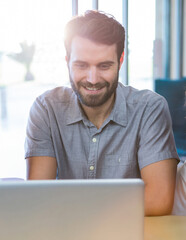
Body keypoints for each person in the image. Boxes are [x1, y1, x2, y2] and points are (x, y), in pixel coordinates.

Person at [25, 10, 179, 216]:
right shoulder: (46, 109)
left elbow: (159, 200)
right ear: (67, 60)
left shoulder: (149, 108)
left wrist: (71, 206)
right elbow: (37, 198)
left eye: (104, 66)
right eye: (81, 65)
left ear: (121, 60)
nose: (93, 79)